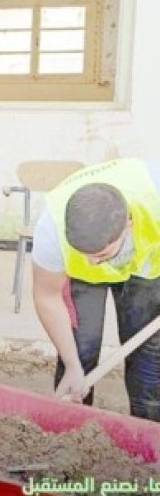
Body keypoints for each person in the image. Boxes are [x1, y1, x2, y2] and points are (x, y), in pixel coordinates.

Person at [31, 159, 160, 420]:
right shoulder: (51, 230)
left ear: (128, 225)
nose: (92, 261)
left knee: (149, 356)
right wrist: (71, 365)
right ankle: (73, 431)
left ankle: (149, 434)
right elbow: (47, 296)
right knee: (81, 349)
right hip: (82, 280)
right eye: (85, 253)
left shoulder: (154, 196)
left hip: (147, 267)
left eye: (100, 254)